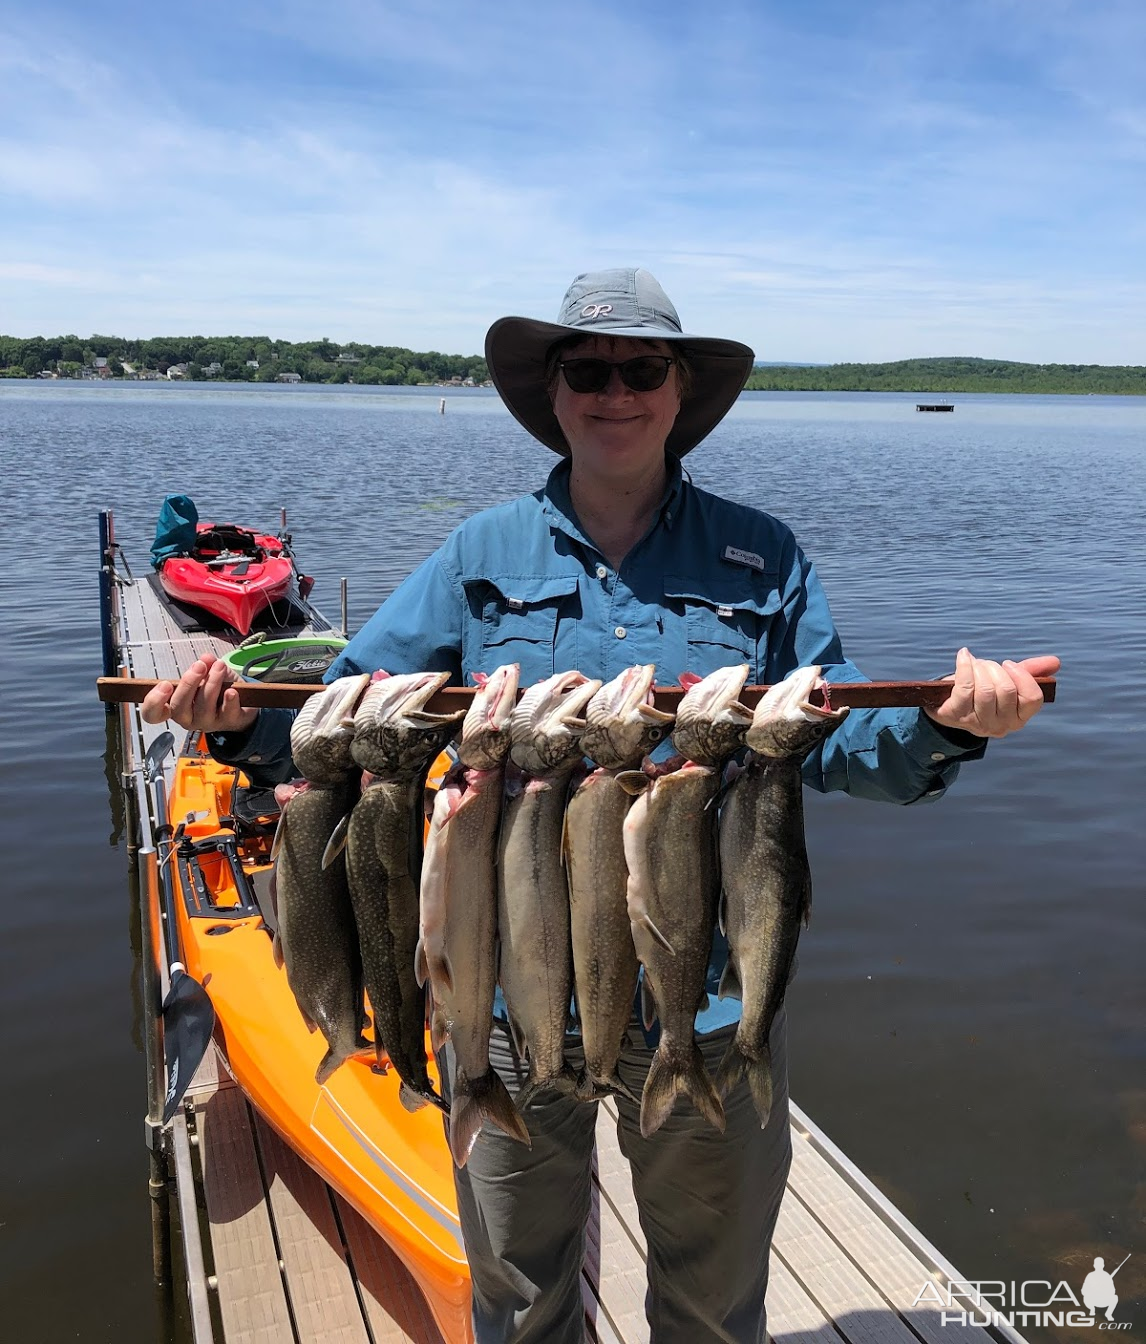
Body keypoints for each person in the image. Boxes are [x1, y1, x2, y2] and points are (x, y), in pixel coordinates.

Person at [144, 267, 1058, 1344]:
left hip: (701, 1004)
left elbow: (840, 745)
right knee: (521, 1303)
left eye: (640, 368)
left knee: (712, 1307)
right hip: (509, 1004)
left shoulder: (763, 559)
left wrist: (950, 725)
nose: (614, 389)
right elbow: (345, 706)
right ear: (556, 388)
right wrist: (226, 719)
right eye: (589, 367)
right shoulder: (480, 553)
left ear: (680, 393)